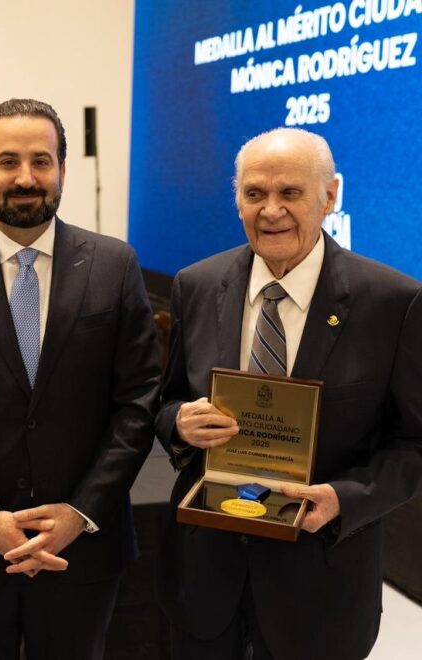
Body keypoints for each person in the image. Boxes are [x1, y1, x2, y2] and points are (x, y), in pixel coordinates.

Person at [0, 98, 161, 660]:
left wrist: (79, 513)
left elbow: (138, 405)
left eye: (41, 161)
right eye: (8, 161)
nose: (25, 177)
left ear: (62, 169)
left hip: (82, 548)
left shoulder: (115, 265)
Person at [155, 128, 422, 660]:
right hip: (206, 579)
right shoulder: (197, 285)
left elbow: (414, 444)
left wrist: (346, 500)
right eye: (254, 193)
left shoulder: (393, 302)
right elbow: (166, 402)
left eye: (290, 193)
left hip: (320, 585)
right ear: (237, 201)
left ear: (330, 195)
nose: (271, 210)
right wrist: (180, 422)